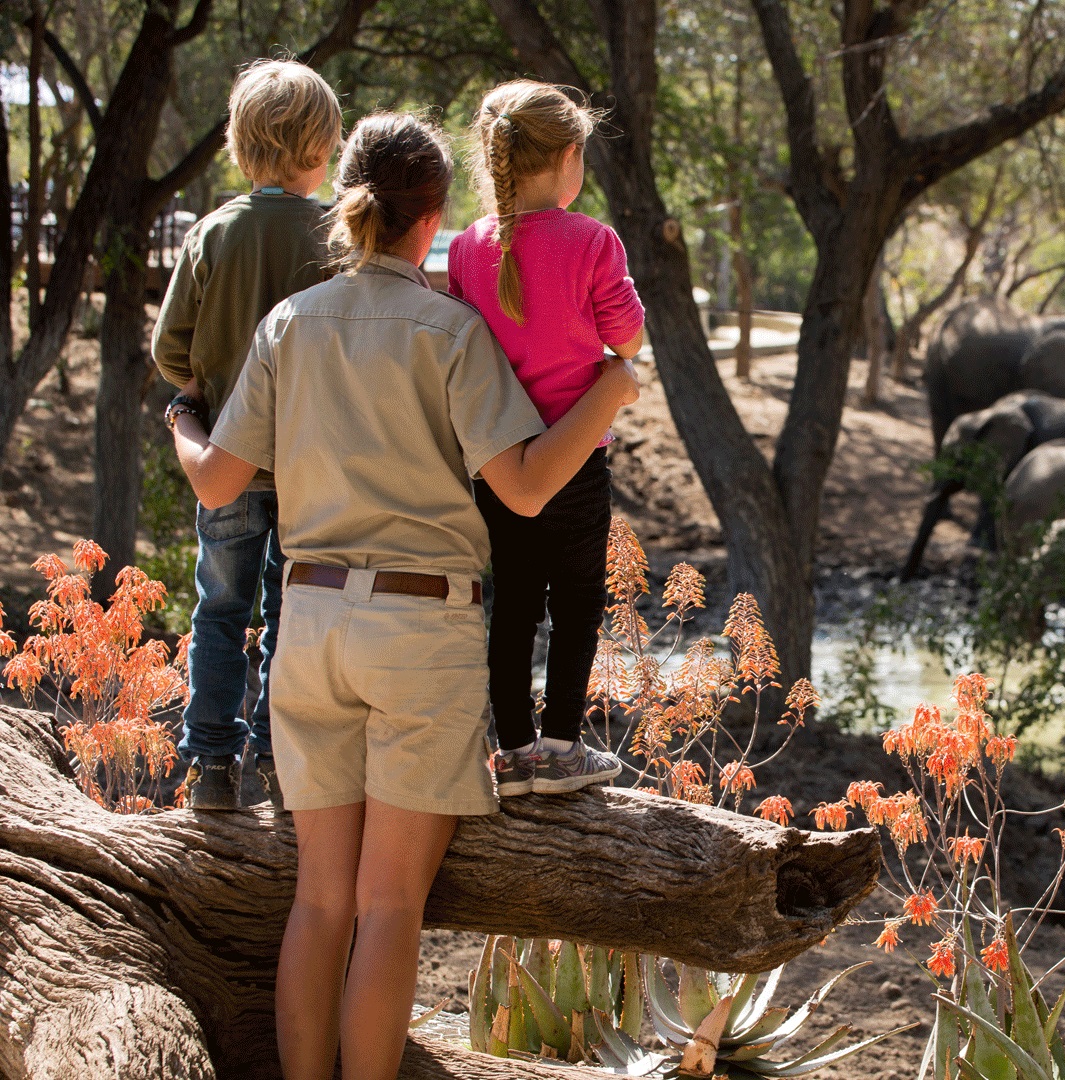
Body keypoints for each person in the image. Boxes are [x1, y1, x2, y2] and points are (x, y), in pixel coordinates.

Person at [168, 112, 640, 1080]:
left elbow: (217, 482)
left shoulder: (289, 323)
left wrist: (181, 420)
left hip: (310, 626)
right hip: (419, 628)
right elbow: (523, 487)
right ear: (433, 223)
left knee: (321, 903)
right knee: (389, 909)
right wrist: (611, 390)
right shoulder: (450, 331)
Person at [152, 59, 341, 810]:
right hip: (309, 468)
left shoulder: (215, 231)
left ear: (237, 144)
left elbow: (171, 350)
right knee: (293, 613)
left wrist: (200, 384)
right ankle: (276, 760)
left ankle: (210, 768)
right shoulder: (334, 235)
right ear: (323, 149)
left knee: (219, 610)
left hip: (227, 455)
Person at [448, 80, 646, 796]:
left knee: (514, 602)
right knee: (578, 601)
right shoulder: (593, 239)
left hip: (498, 460)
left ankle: (512, 753)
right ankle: (562, 747)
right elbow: (626, 336)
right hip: (576, 458)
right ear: (569, 156)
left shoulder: (469, 246)